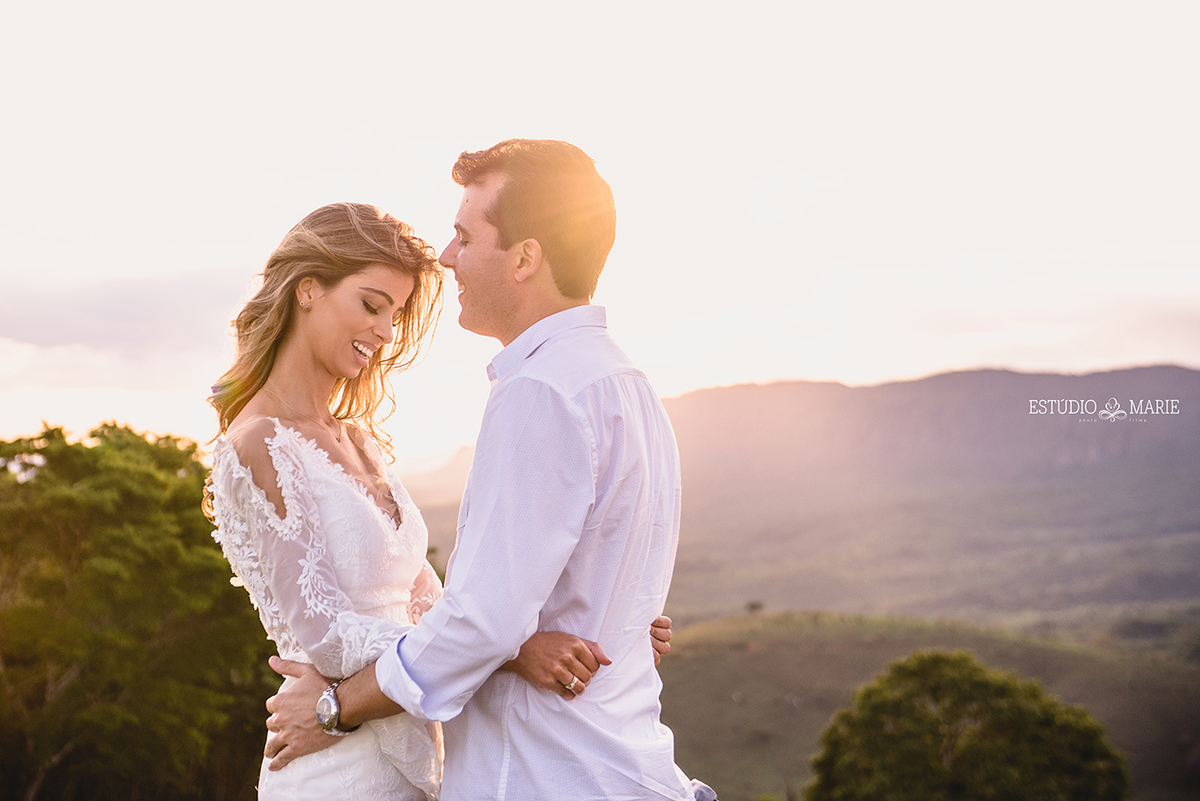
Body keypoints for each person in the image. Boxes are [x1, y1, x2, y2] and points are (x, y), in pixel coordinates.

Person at [265, 140, 712, 801]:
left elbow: (480, 622)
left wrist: (334, 706)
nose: (448, 257)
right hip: (624, 769)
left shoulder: (542, 391)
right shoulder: (626, 383)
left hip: (543, 774)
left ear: (525, 258)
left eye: (466, 236)